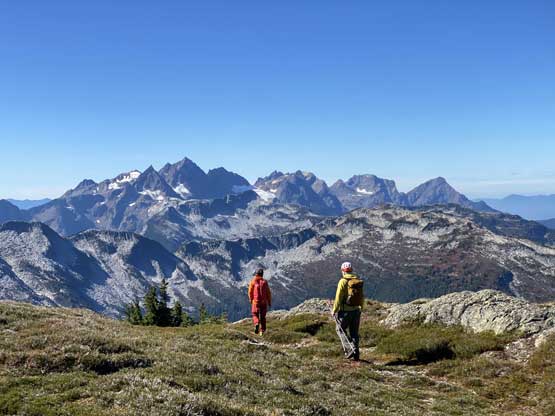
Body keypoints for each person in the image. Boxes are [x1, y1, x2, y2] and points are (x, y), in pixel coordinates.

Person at [332, 261, 364, 361]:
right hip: (356, 311)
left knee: (339, 329)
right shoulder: (357, 280)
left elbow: (338, 297)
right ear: (351, 270)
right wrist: (361, 307)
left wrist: (334, 310)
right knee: (354, 333)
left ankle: (350, 348)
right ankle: (356, 355)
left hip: (345, 311)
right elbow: (361, 296)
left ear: (343, 271)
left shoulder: (343, 281)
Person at [248, 268, 272, 335]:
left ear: (256, 274)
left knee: (255, 314)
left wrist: (251, 299)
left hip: (255, 302)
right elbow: (268, 293)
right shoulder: (265, 282)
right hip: (263, 303)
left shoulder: (253, 281)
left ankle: (256, 323)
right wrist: (269, 301)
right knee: (263, 317)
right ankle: (262, 331)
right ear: (262, 274)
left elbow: (250, 292)